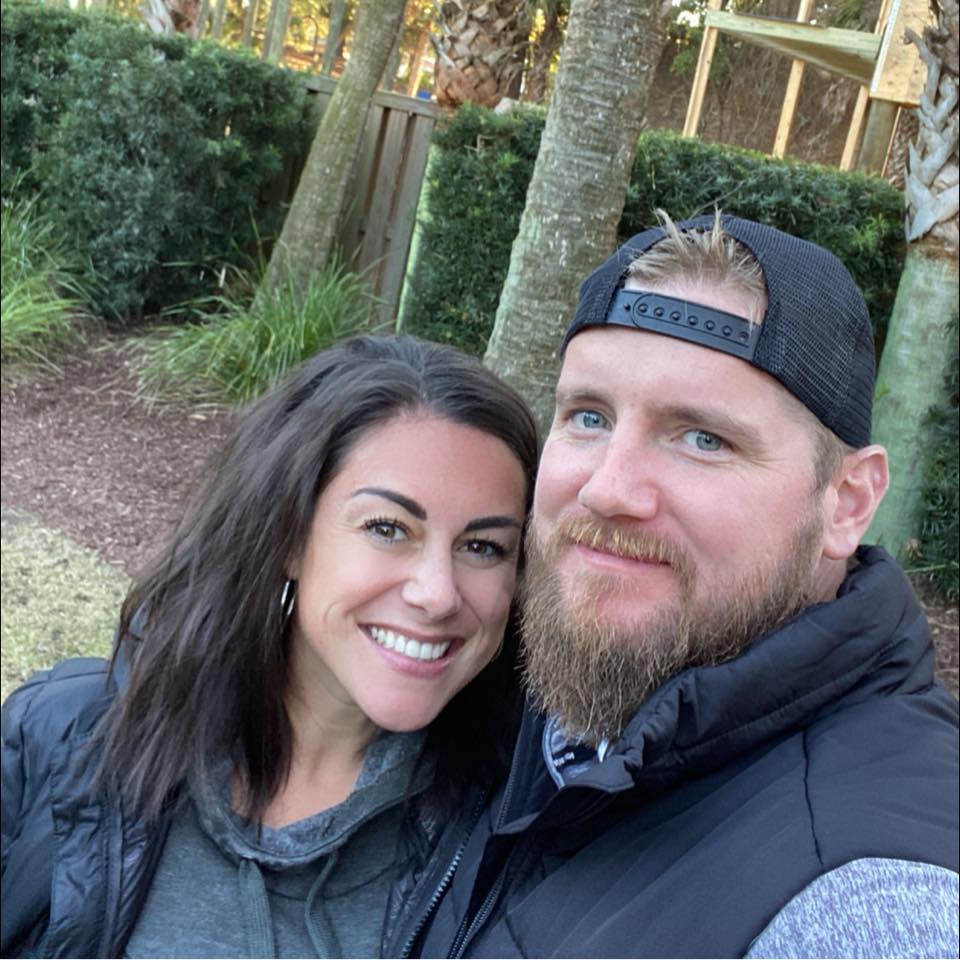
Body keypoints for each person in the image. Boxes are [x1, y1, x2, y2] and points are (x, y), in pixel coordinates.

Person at [416, 214, 960, 958]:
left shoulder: (862, 907)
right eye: (588, 416)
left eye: (704, 438)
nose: (608, 490)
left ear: (848, 502)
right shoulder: (559, 679)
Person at [0, 334, 540, 958]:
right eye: (388, 529)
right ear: (287, 537)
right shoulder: (61, 737)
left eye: (483, 547)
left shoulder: (515, 834)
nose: (438, 593)